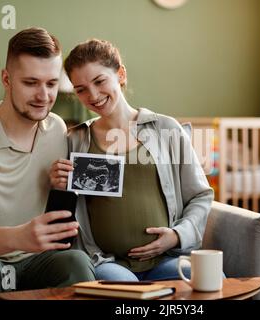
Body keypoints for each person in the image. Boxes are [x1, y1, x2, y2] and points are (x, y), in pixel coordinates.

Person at [0, 28, 95, 299]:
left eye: (51, 83)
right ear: (6, 79)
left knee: (77, 262)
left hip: (36, 261)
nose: (44, 96)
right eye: (31, 82)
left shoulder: (57, 129)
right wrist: (23, 236)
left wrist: (61, 184)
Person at [49, 39, 214, 281]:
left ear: (121, 74)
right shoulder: (75, 140)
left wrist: (177, 235)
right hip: (107, 262)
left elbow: (201, 195)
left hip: (168, 258)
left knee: (213, 279)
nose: (92, 95)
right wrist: (58, 188)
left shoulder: (165, 129)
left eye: (99, 81)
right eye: (81, 89)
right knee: (127, 293)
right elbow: (62, 216)